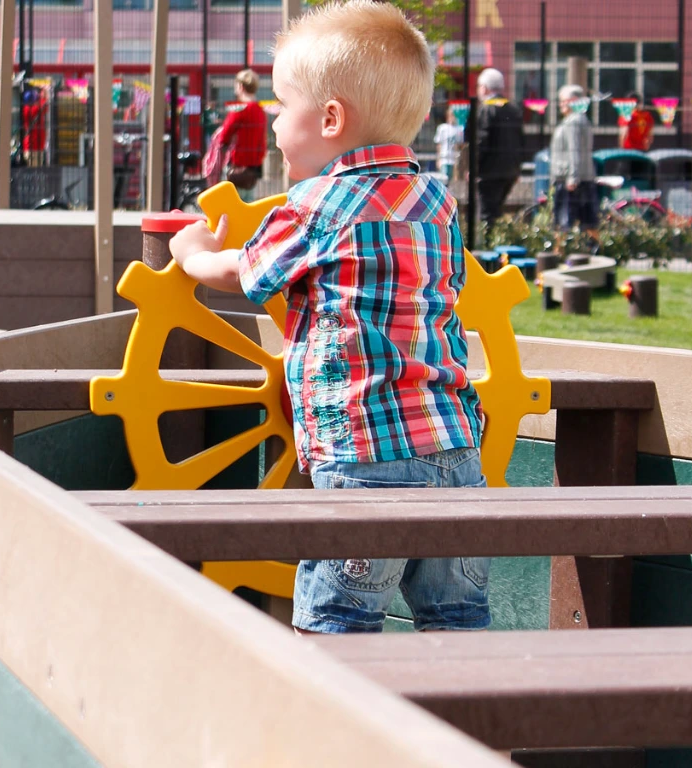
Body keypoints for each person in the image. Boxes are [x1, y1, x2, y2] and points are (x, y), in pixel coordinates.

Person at [169, 0, 487, 635]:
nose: (278, 123)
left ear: (331, 118)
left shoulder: (314, 204)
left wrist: (193, 252)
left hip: (363, 454)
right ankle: (464, 731)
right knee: (456, 619)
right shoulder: (436, 199)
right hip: (455, 447)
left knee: (337, 625)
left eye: (284, 107)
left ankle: (337, 736)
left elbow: (247, 274)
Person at [475, 67, 523, 234]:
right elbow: (520, 141)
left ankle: (487, 247)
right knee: (497, 210)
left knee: (487, 213)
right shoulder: (513, 108)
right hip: (509, 171)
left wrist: (474, 167)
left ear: (485, 88)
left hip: (489, 171)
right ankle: (496, 242)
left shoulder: (486, 109)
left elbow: (481, 141)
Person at [550, 84, 598, 240]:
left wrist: (573, 178)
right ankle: (598, 250)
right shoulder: (581, 119)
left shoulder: (573, 121)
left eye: (563, 101)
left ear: (574, 100)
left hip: (570, 180)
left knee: (563, 222)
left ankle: (559, 254)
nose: (560, 105)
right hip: (582, 177)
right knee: (588, 221)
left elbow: (574, 150)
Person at [215, 69, 268, 198]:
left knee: (230, 203)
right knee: (248, 204)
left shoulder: (239, 108)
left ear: (240, 86)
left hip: (236, 166)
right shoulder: (260, 110)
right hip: (253, 168)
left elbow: (225, 134)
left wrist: (223, 143)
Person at [433, 105, 464, 183]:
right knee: (444, 180)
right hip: (444, 158)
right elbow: (439, 144)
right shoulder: (442, 128)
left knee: (453, 181)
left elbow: (459, 145)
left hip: (454, 158)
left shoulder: (459, 129)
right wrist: (438, 159)